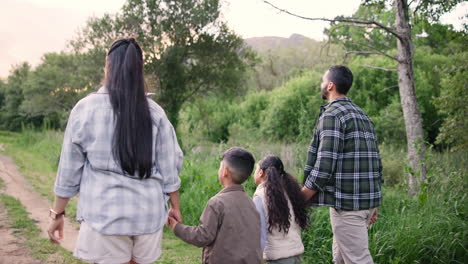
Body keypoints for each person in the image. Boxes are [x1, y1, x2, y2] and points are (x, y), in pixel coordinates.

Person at [47, 38, 183, 264]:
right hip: (147, 217)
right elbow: (170, 167)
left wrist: (57, 214)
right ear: (139, 70)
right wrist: (175, 207)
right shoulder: (156, 113)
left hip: (104, 217)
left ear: (107, 66)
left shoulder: (85, 109)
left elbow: (69, 170)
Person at [301, 65, 383, 264]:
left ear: (330, 85)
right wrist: (373, 205)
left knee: (358, 260)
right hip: (364, 203)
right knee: (340, 259)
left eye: (323, 81)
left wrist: (301, 196)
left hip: (348, 206)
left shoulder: (332, 115)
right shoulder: (363, 116)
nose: (321, 84)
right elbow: (375, 162)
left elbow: (324, 166)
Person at [167, 147, 262, 264]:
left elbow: (203, 236)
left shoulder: (217, 203)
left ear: (225, 172)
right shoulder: (250, 203)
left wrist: (177, 227)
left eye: (220, 167)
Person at [253, 155, 308, 264]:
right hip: (296, 256)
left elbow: (260, 233)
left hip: (278, 259)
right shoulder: (291, 192)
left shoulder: (260, 196)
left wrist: (254, 258)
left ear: (261, 172)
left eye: (256, 169)